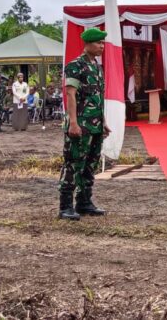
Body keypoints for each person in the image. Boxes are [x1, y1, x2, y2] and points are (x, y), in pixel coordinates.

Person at [58, 28, 110, 220]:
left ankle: (84, 202)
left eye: (103, 43)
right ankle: (65, 206)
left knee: (90, 164)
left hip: (95, 124)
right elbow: (70, 94)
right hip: (79, 124)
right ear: (87, 44)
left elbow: (98, 97)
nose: (102, 46)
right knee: (73, 163)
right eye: (98, 43)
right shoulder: (75, 66)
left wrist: (103, 122)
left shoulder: (97, 67)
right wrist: (73, 123)